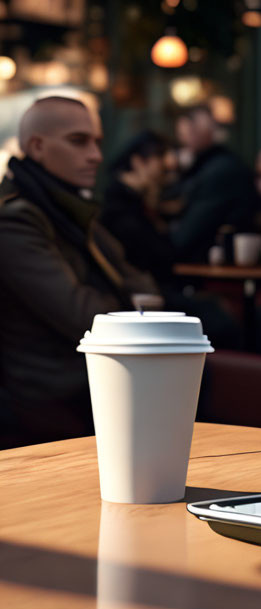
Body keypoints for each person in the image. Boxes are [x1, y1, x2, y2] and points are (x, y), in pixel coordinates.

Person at [0, 96, 159, 446]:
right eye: (78, 141)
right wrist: (136, 308)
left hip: (100, 378)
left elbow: (141, 283)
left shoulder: (68, 206)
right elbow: (84, 316)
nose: (96, 156)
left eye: (97, 143)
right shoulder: (17, 217)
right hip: (57, 392)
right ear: (37, 146)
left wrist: (136, 305)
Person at [169, 105, 255, 262]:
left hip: (214, 265)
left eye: (187, 132)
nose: (183, 140)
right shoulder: (211, 166)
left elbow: (189, 234)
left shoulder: (218, 171)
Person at [100, 129, 175, 283]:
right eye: (160, 158)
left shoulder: (136, 202)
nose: (166, 168)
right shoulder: (120, 210)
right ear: (138, 162)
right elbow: (160, 255)